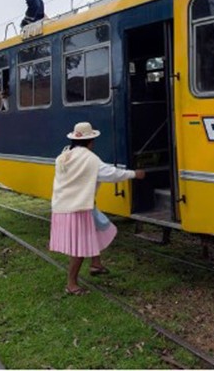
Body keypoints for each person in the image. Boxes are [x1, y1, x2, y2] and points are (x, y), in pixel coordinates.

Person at [49, 121, 146, 295]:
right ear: (91, 141)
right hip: (78, 208)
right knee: (79, 248)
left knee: (100, 227)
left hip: (66, 205)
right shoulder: (89, 158)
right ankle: (71, 284)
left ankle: (96, 263)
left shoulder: (64, 155)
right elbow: (111, 174)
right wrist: (134, 174)